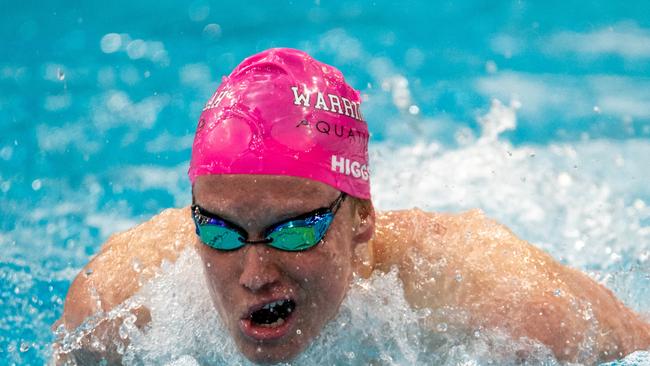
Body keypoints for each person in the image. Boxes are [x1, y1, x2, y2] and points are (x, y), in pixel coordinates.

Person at [54, 48, 650, 365]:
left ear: (361, 215)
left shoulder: (504, 305)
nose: (255, 273)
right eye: (222, 232)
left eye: (292, 233)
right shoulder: (115, 303)